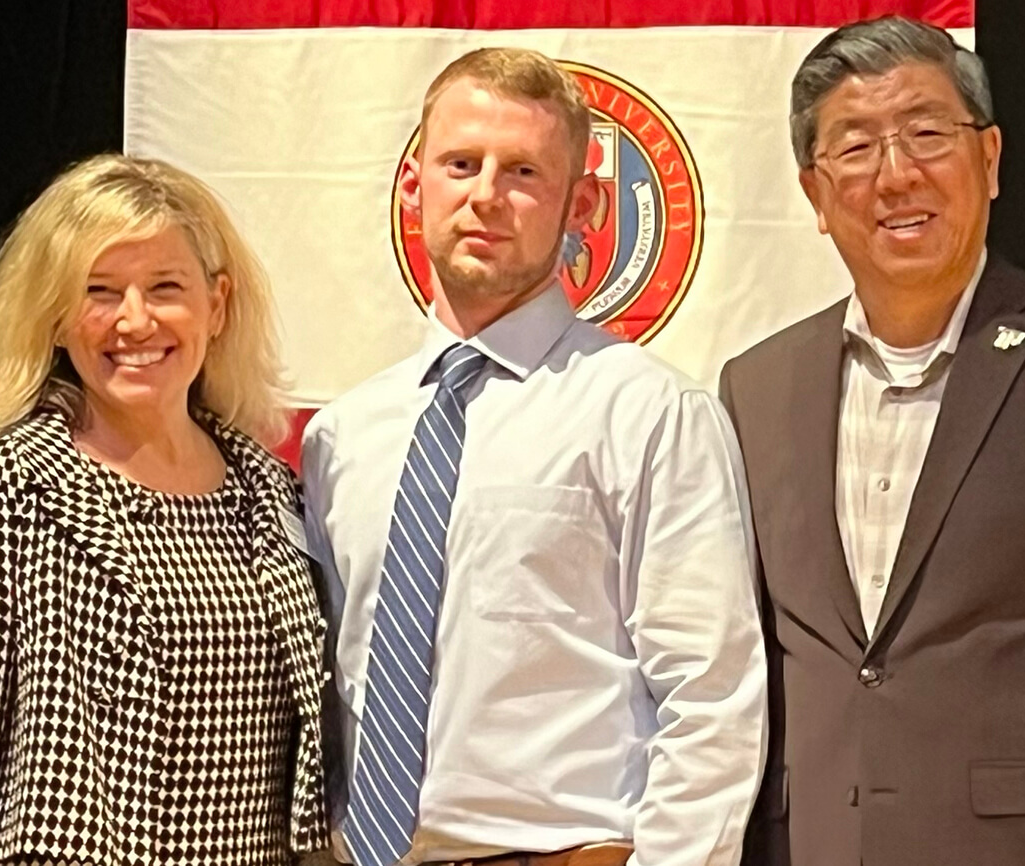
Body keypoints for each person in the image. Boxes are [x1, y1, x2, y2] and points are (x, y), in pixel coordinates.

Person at [718, 16, 1025, 866]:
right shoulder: (754, 386)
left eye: (925, 134)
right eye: (857, 146)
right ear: (815, 195)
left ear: (988, 161)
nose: (896, 174)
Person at [300, 48, 766, 866]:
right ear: (415, 186)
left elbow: (713, 695)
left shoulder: (649, 412)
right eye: (460, 164)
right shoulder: (343, 435)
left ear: (580, 202)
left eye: (523, 171)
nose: (486, 195)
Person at [0, 154, 331, 866]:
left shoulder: (273, 495)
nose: (134, 320)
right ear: (55, 317)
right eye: (100, 291)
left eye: (165, 287)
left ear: (217, 305)